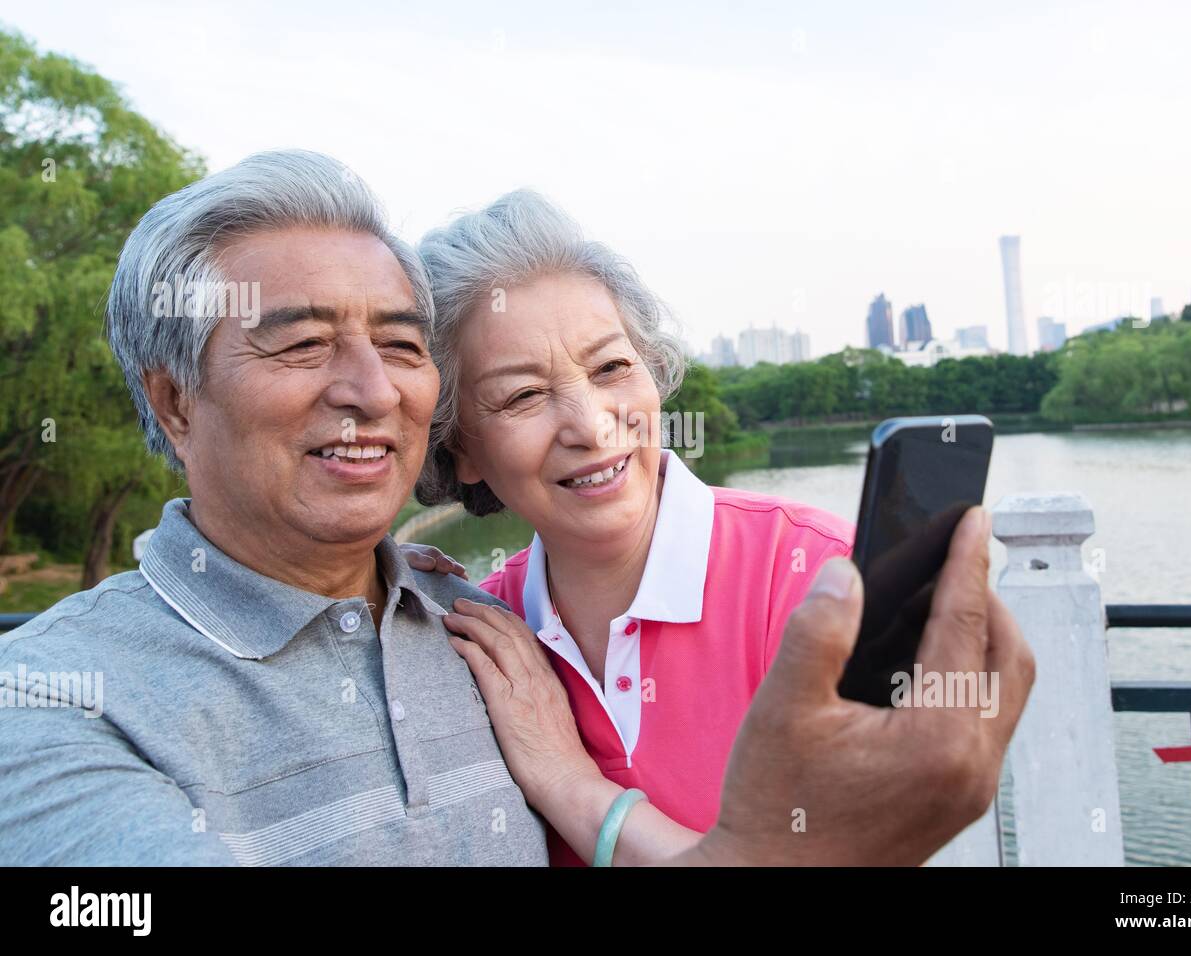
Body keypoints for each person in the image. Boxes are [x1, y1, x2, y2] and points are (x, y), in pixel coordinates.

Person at [0, 149, 1033, 866]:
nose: (368, 387)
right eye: (302, 342)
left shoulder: (464, 620)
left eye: (402, 345)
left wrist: (581, 789)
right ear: (174, 400)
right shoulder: (52, 696)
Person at [407, 191, 858, 864]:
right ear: (459, 447)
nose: (591, 426)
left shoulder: (813, 575)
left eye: (611, 367)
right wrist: (367, 580)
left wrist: (569, 784)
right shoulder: (474, 634)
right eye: (523, 395)